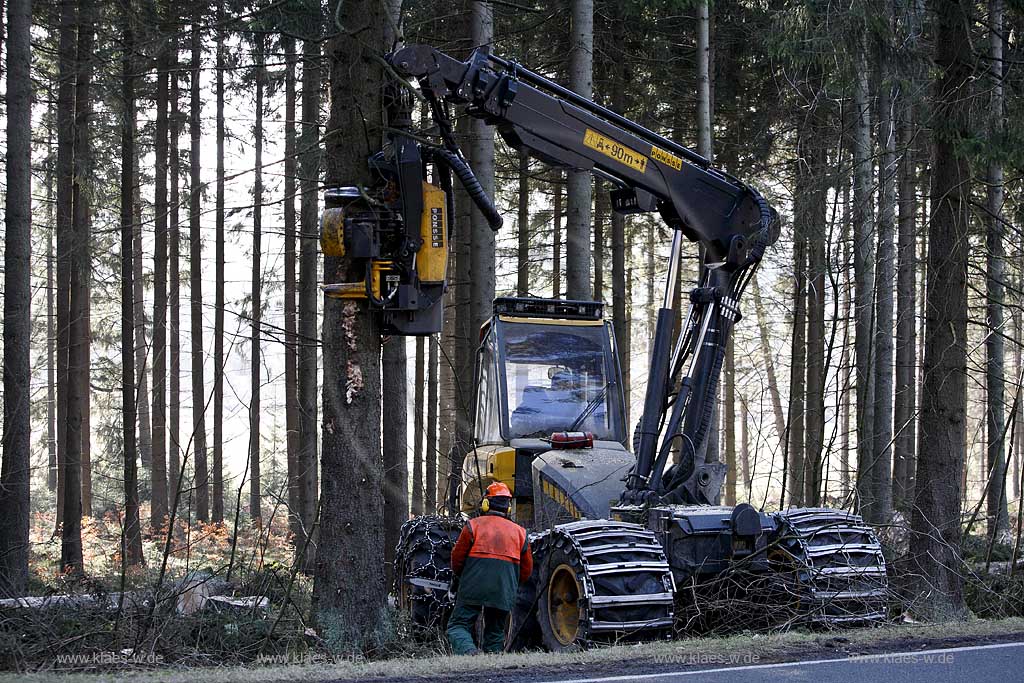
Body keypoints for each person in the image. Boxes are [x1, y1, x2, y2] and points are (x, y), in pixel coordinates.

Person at [447, 482, 533, 655]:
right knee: (495, 632)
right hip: (503, 590)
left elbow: (456, 560)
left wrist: (461, 579)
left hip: (473, 587)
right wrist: (509, 585)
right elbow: (526, 571)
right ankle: (491, 664)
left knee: (457, 626)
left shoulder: (472, 526)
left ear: (486, 503)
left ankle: (470, 653)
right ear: (508, 507)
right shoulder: (521, 533)